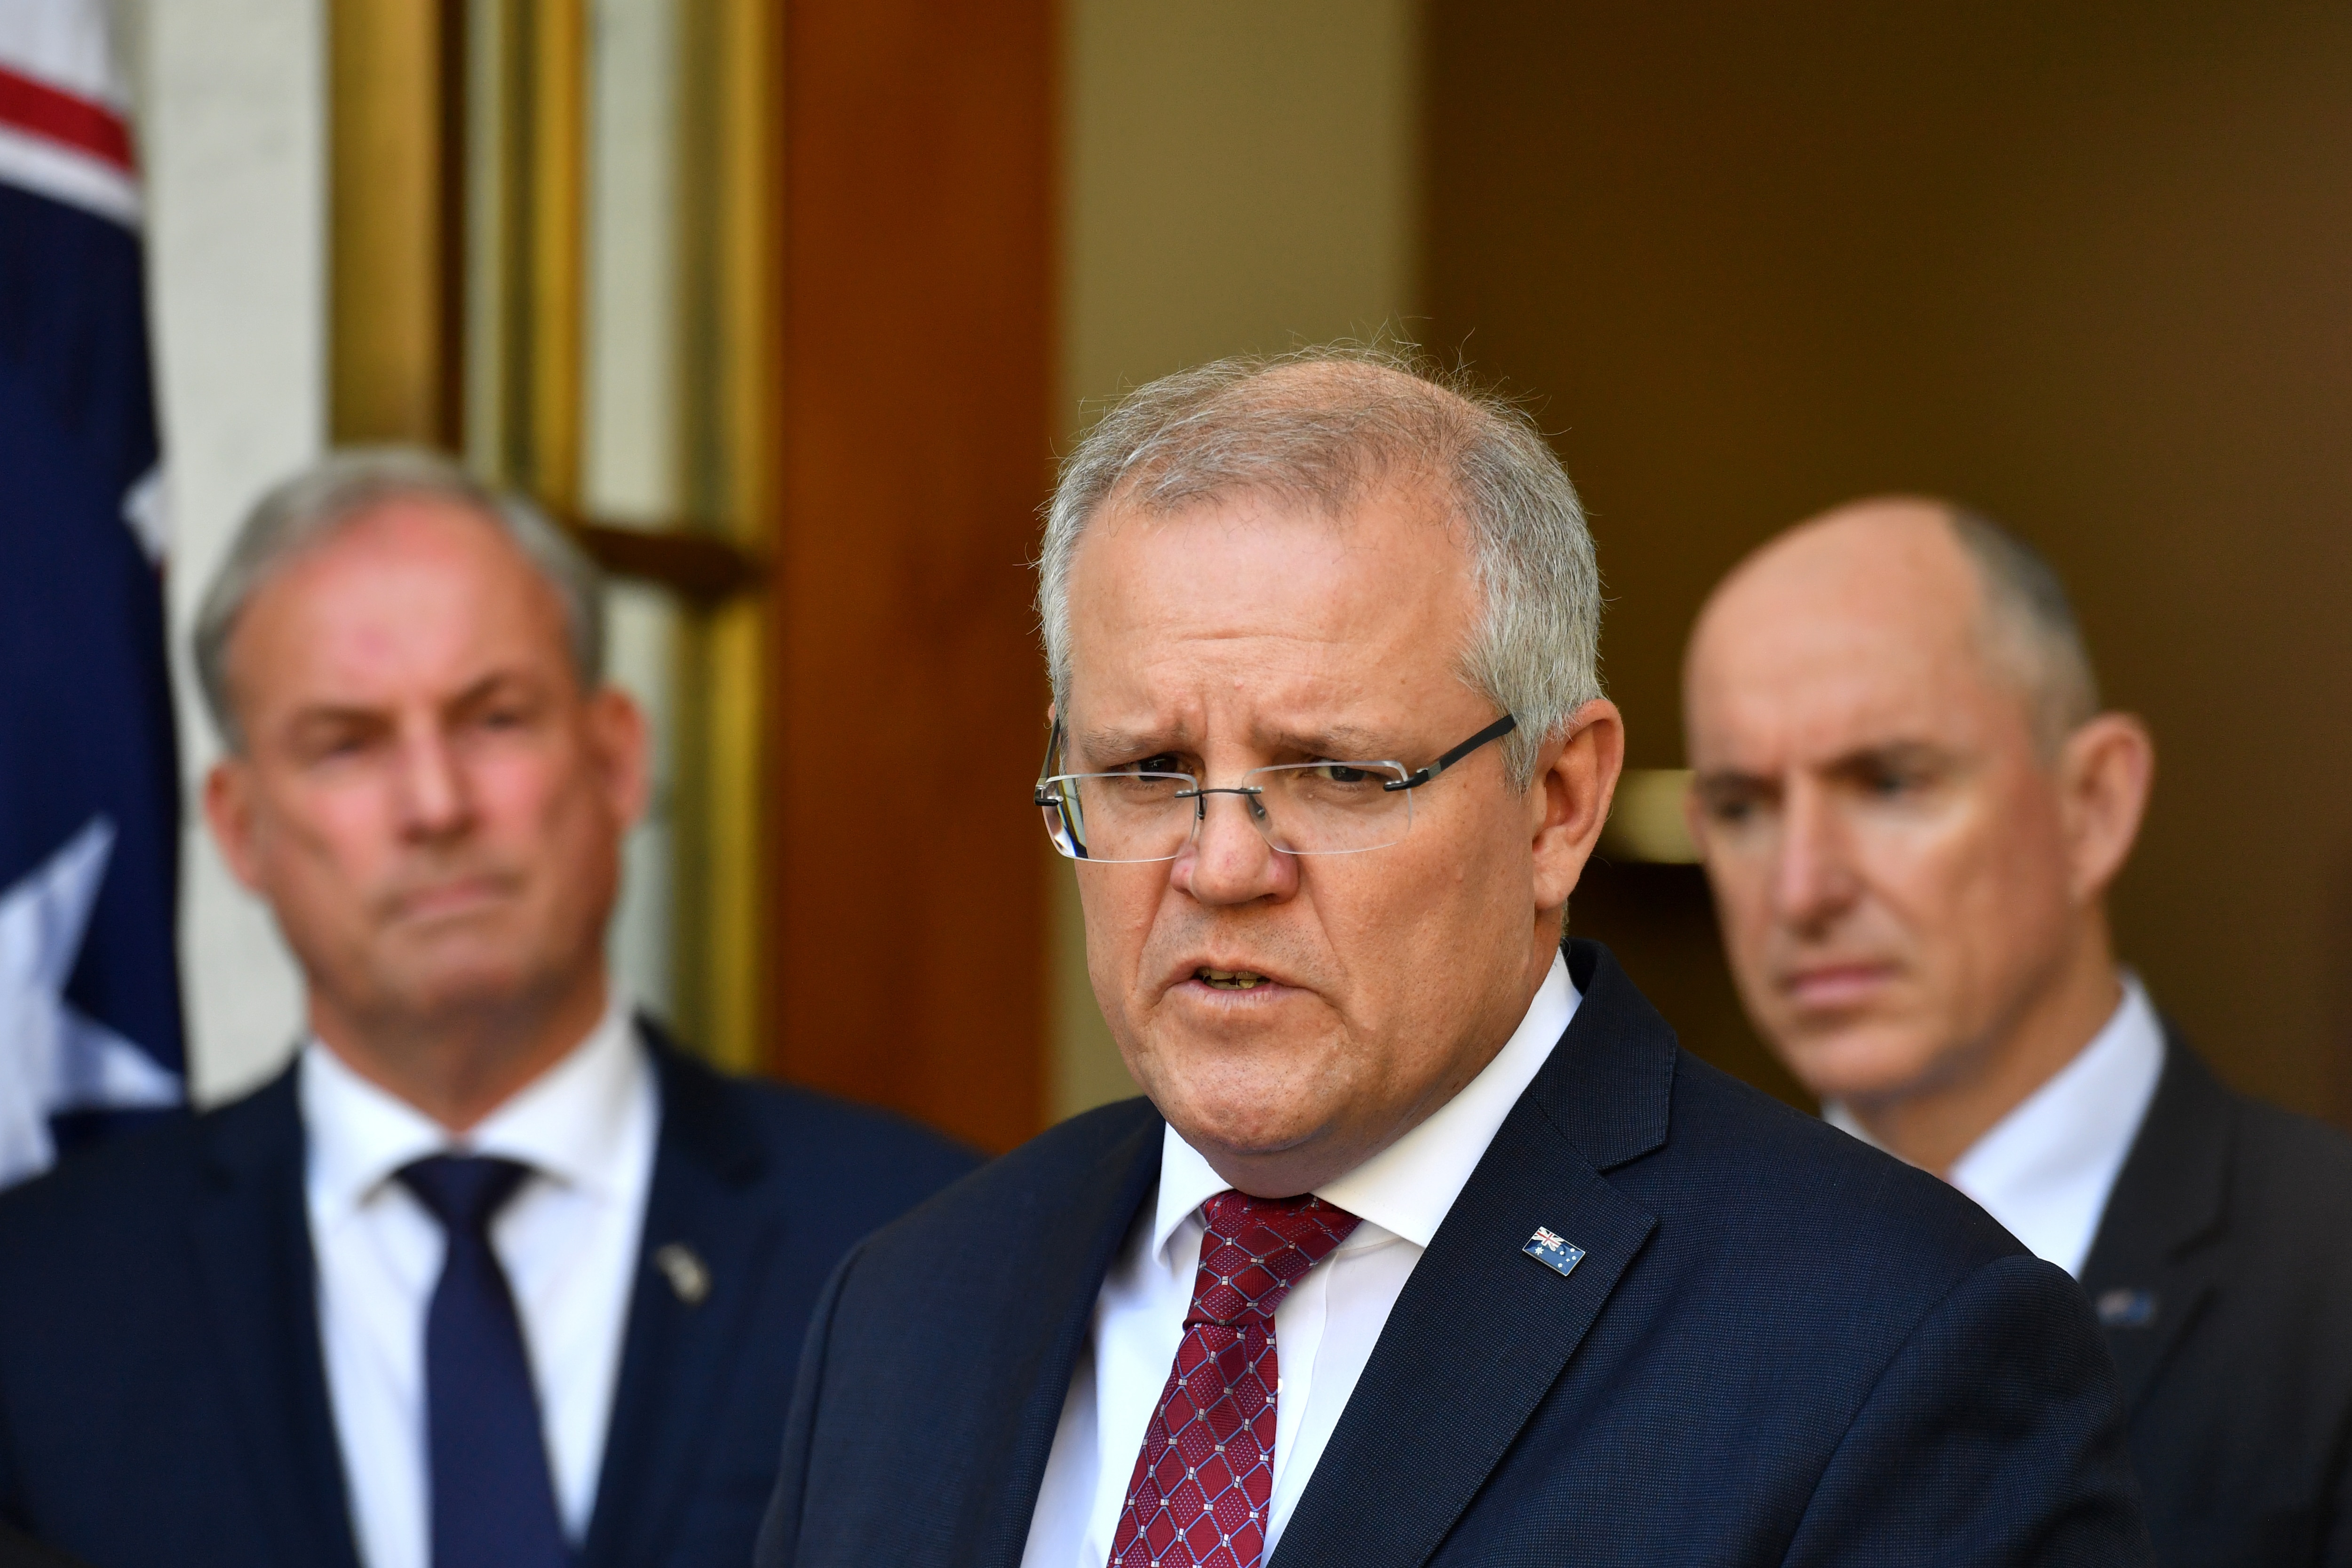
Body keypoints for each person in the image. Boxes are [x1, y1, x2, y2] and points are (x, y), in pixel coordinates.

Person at [755, 350, 2148, 1568]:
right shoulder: (912, 1301)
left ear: (1558, 801)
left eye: (1336, 772)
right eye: (1149, 766)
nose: (1222, 863)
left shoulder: (1888, 1346)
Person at [0, 450, 977, 1568]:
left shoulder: (930, 1246)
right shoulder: (39, 1304)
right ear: (239, 828)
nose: (436, 803)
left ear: (615, 759)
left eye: (495, 718)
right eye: (347, 743)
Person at [1681, 496, 2352, 1567]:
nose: (1801, 888)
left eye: (1890, 782)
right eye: (1743, 805)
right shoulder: (1635, 1293)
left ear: (2092, 803)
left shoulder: (2324, 1277)